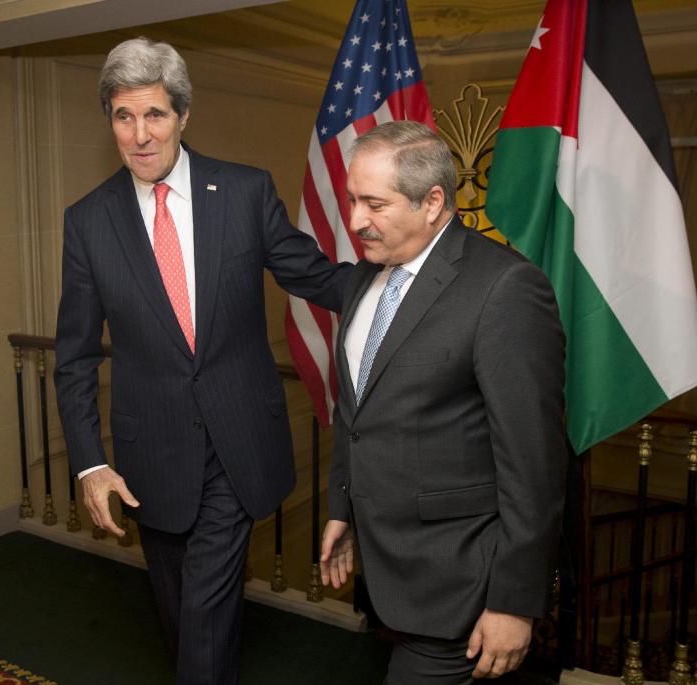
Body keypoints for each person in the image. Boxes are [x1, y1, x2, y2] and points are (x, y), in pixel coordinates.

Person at [53, 37, 351, 685]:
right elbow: (74, 354)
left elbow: (318, 277)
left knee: (206, 611)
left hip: (237, 439)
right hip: (149, 455)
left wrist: (411, 279)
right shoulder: (88, 221)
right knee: (182, 612)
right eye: (122, 116)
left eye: (154, 114)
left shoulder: (244, 193)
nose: (139, 134)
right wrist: (90, 459)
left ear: (183, 115)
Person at [319, 121, 568, 684]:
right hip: (391, 576)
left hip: (462, 590)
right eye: (352, 199)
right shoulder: (366, 277)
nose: (356, 220)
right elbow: (357, 411)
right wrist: (343, 505)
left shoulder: (505, 288)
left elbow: (534, 464)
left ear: (433, 202)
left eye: (374, 204)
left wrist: (513, 602)